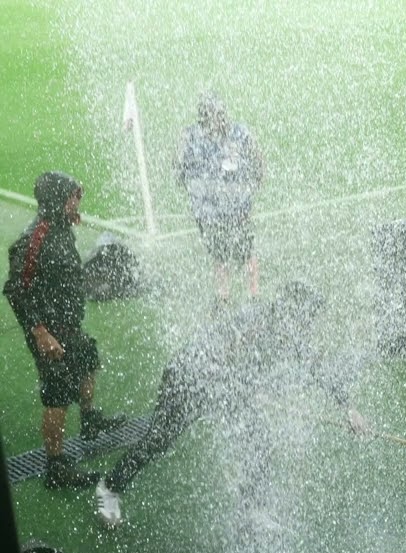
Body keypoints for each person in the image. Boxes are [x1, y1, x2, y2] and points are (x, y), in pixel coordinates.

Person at [94, 281, 367, 527]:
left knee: (258, 439)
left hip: (224, 387)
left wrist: (349, 409)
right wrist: (242, 387)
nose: (309, 326)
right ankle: (108, 487)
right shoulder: (258, 320)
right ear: (291, 309)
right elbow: (223, 354)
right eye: (308, 317)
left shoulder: (292, 334)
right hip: (187, 376)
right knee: (159, 440)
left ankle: (251, 511)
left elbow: (318, 367)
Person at [4, 172, 126, 489]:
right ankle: (55, 468)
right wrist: (41, 333)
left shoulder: (61, 228)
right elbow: (16, 290)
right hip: (49, 332)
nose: (78, 201)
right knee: (57, 392)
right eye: (74, 196)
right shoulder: (35, 239)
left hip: (68, 325)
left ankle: (88, 420)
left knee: (87, 358)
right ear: (59, 200)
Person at [176, 93, 265, 303]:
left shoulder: (236, 133)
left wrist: (257, 178)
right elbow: (179, 167)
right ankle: (224, 296)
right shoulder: (193, 137)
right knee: (220, 252)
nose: (219, 119)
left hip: (235, 206)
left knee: (244, 250)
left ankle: (253, 294)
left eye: (220, 114)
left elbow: (257, 157)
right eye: (215, 115)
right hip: (210, 209)